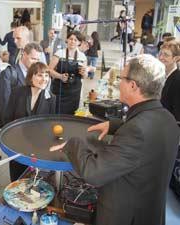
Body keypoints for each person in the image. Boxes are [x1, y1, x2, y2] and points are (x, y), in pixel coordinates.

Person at [50, 54, 180, 225]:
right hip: (150, 212)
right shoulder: (168, 119)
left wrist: (74, 143)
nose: (119, 83)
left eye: (122, 78)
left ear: (133, 86)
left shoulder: (136, 131)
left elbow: (93, 173)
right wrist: (114, 125)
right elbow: (147, 136)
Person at [5, 62, 56, 181]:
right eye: (39, 75)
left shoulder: (51, 98)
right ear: (30, 77)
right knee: (17, 177)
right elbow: (7, 117)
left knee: (34, 179)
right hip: (17, 144)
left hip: (37, 146)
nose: (44, 79)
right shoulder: (18, 92)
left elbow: (50, 125)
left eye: (46, 75)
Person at [0, 43, 42, 128]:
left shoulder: (37, 75)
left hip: (31, 126)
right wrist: (9, 128)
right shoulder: (8, 73)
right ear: (23, 54)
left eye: (38, 59)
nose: (36, 63)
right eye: (33, 58)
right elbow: (3, 103)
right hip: (14, 126)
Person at [49, 31, 87, 114]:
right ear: (67, 40)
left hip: (74, 92)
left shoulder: (82, 56)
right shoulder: (59, 53)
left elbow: (84, 77)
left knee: (71, 115)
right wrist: (60, 76)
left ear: (79, 42)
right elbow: (49, 70)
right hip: (59, 90)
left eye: (75, 40)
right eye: (71, 39)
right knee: (57, 112)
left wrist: (84, 73)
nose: (72, 41)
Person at [159, 41, 180, 121]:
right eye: (160, 54)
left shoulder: (177, 80)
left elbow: (177, 114)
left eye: (166, 55)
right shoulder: (162, 75)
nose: (161, 57)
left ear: (176, 58)